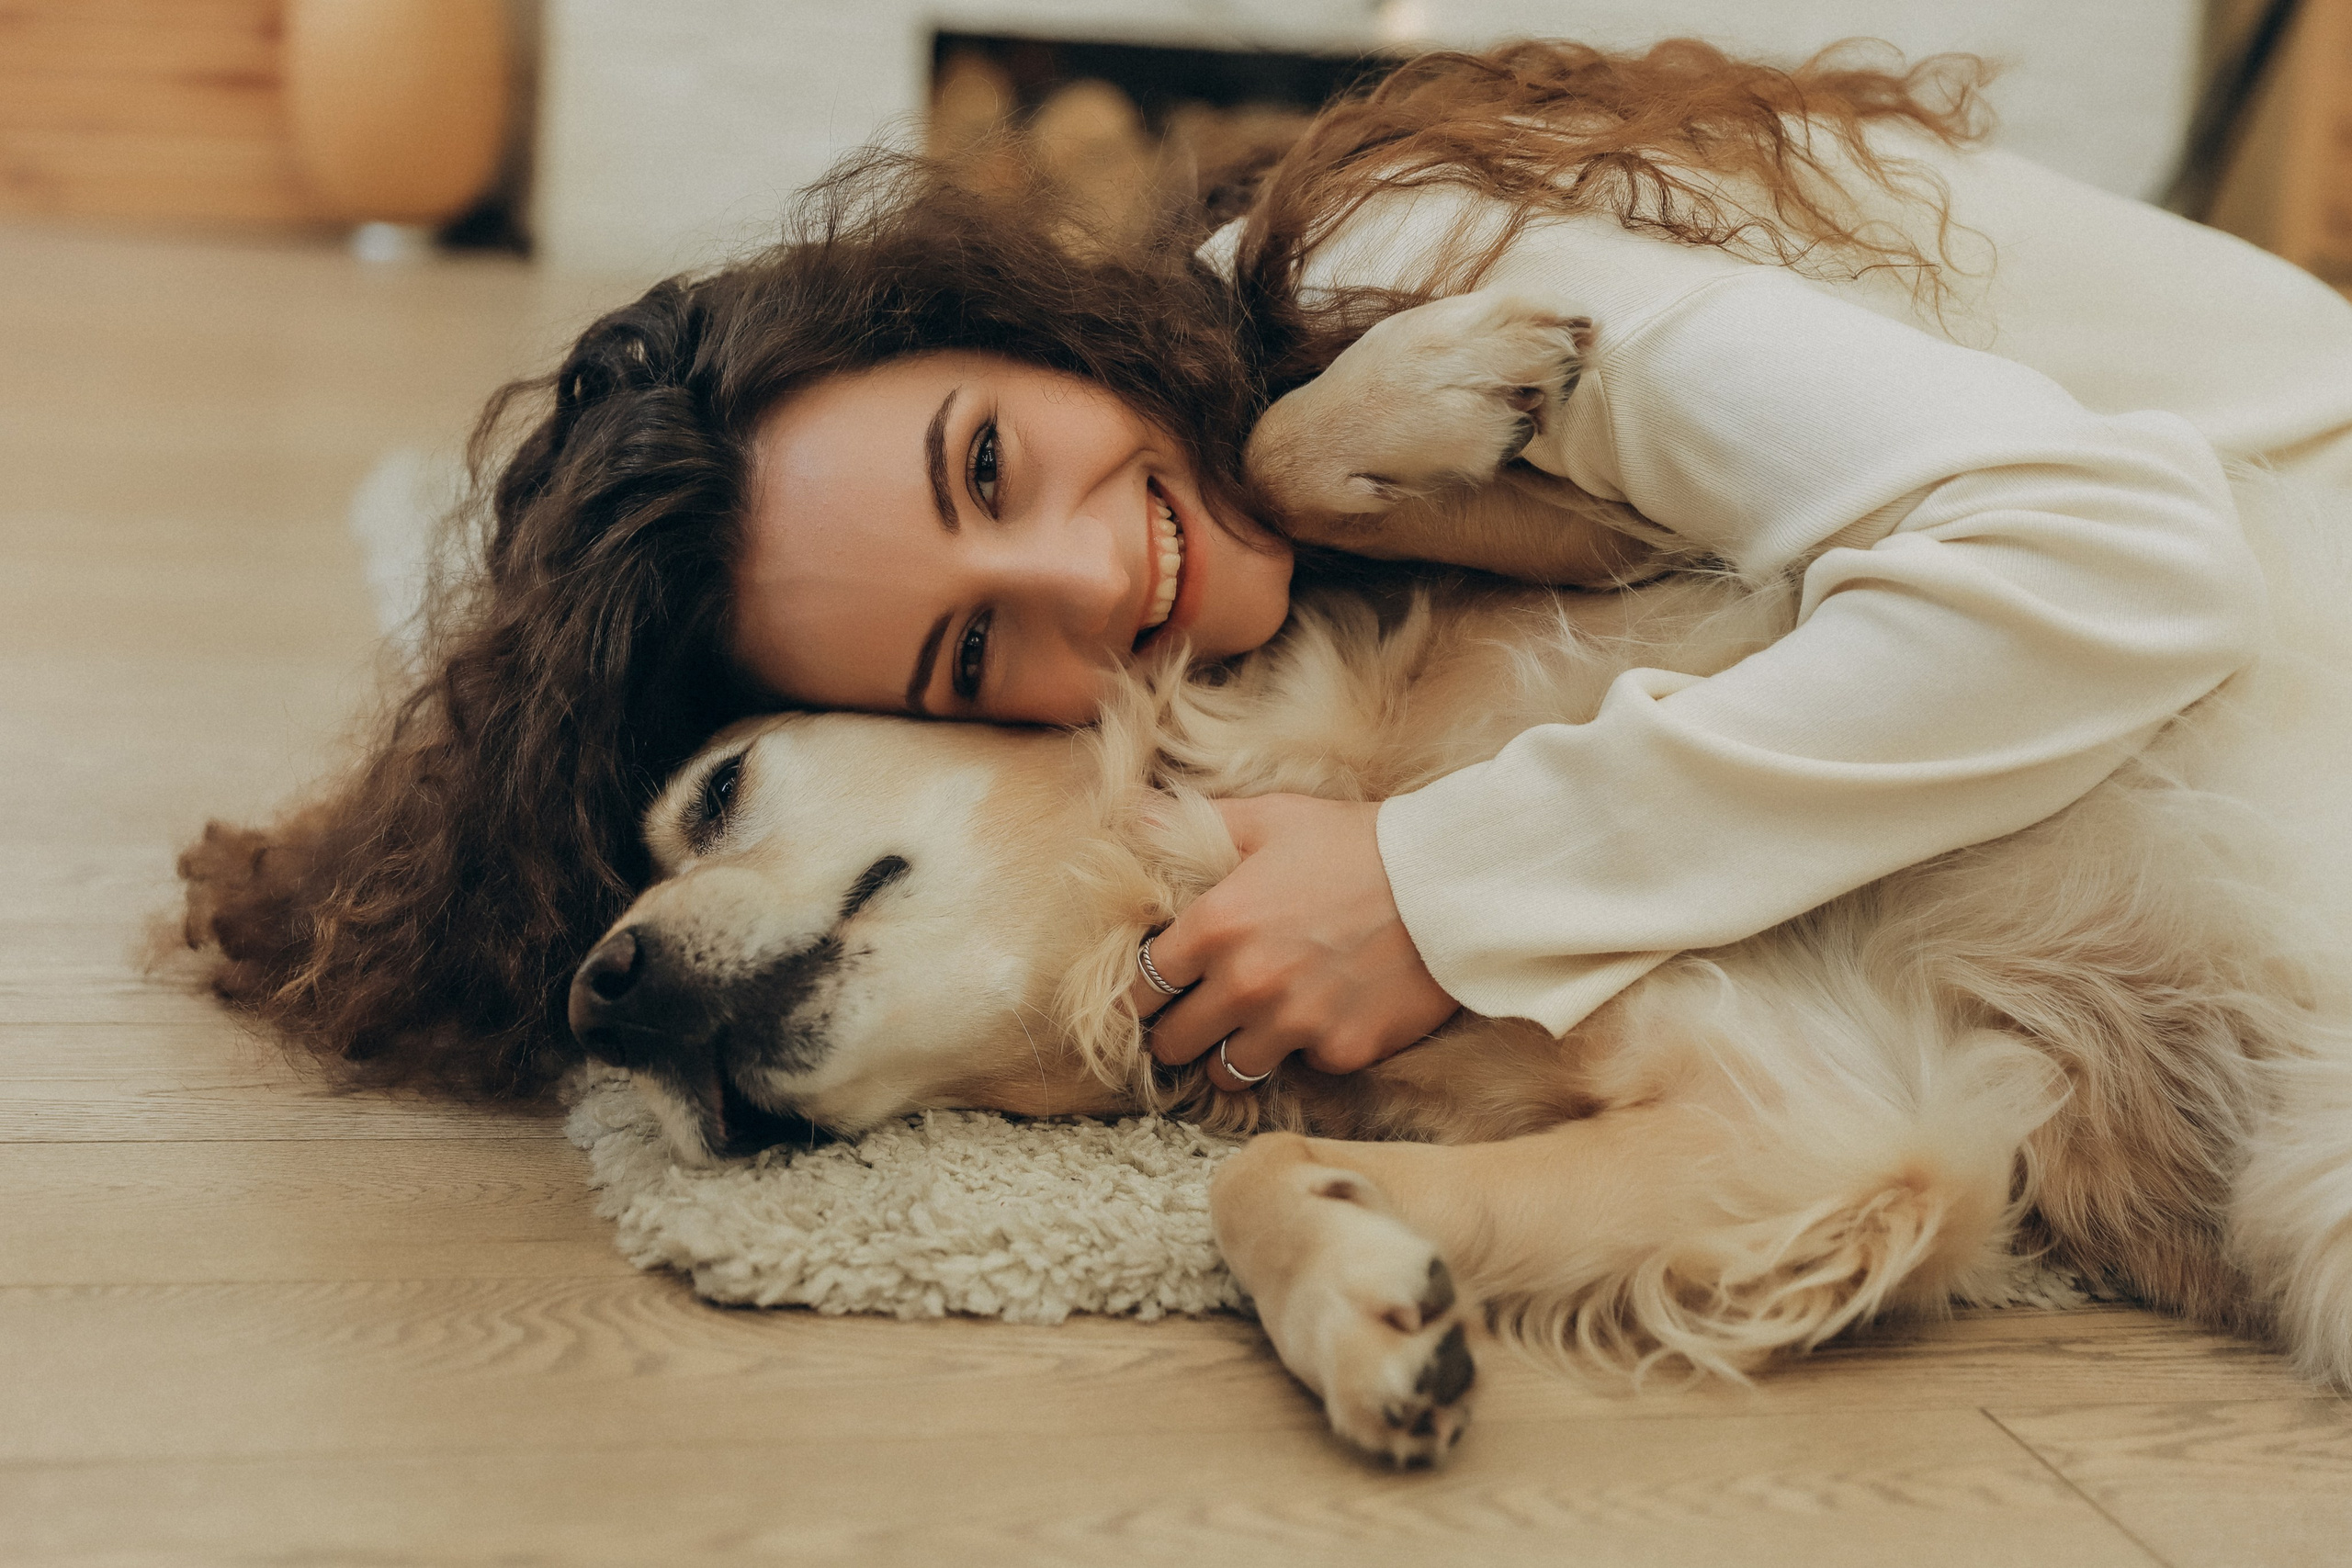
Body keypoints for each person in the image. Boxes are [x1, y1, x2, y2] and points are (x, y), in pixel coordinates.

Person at [181, 39, 2351, 1106]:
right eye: (967, 646)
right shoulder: (1287, 538)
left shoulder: (1403, 295)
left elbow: (2121, 570)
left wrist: (1440, 888)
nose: (1083, 572)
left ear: (1012, 321)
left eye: (988, 454)